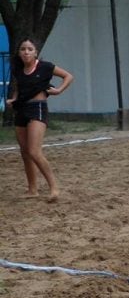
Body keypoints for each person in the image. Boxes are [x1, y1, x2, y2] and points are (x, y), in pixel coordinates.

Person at [6, 37, 74, 202]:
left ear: (36, 52)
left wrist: (58, 90)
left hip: (37, 108)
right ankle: (32, 190)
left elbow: (68, 76)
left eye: (30, 49)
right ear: (19, 52)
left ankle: (54, 188)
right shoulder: (18, 69)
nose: (26, 52)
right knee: (24, 152)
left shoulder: (45, 67)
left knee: (34, 151)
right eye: (23, 49)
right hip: (21, 109)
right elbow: (19, 89)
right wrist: (13, 99)